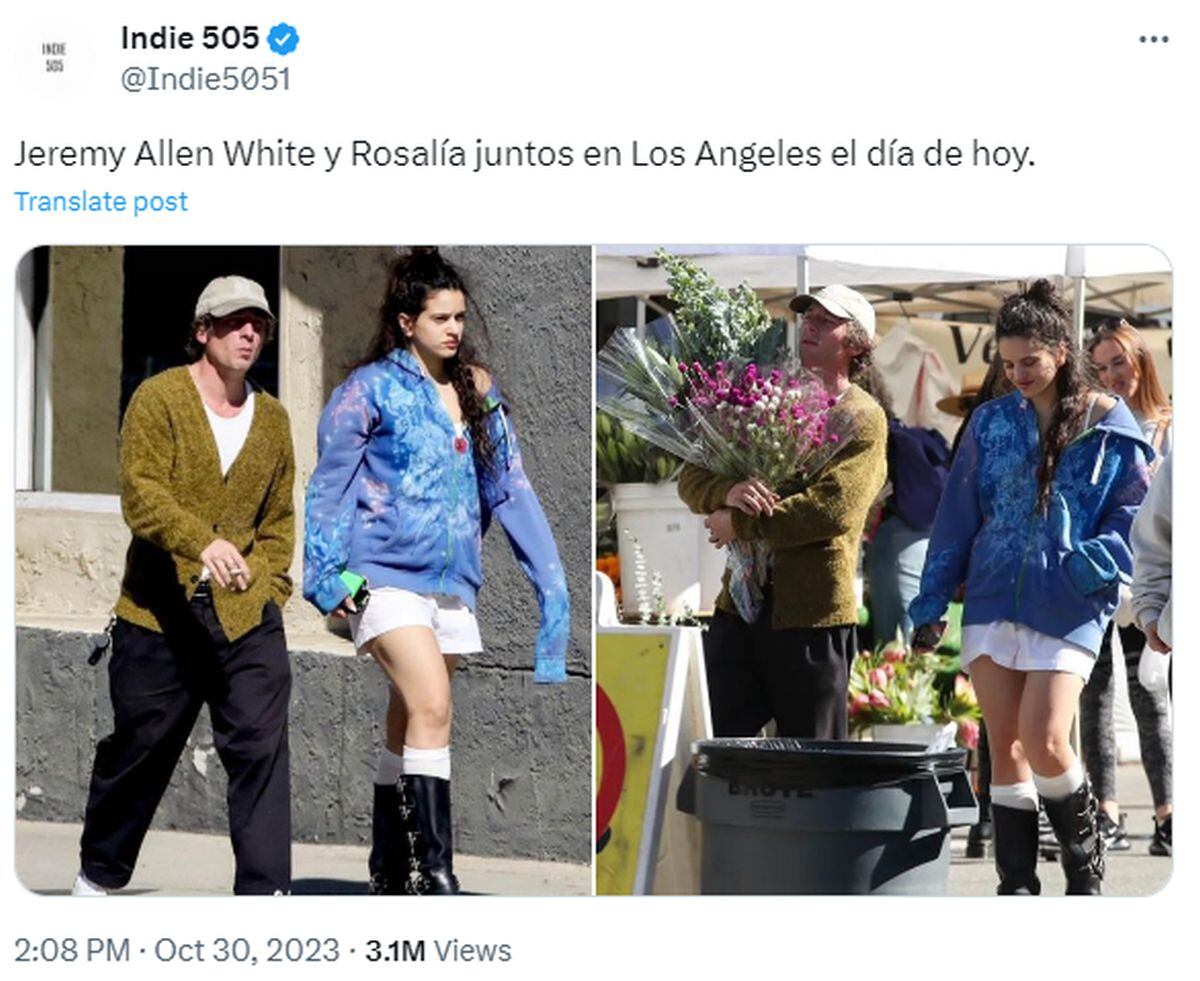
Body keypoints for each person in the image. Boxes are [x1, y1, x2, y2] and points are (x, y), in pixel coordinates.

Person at [304, 248, 569, 896]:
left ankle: (390, 866)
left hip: (450, 586)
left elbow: (510, 487)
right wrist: (332, 581)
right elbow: (328, 490)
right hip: (376, 576)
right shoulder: (368, 389)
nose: (453, 328)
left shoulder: (476, 389)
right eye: (439, 317)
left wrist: (553, 584)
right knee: (432, 703)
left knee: (408, 719)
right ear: (405, 321)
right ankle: (437, 872)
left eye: (458, 316)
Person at [910, 280, 1152, 895]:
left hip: (1070, 599)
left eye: (1030, 362)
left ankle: (1083, 867)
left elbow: (1136, 516)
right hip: (992, 594)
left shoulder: (1110, 425)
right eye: (1008, 362)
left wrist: (1096, 563)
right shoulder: (989, 423)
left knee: (1045, 738)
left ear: (1061, 352)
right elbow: (956, 518)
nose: (1017, 374)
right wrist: (933, 602)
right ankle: (1015, 884)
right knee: (1004, 745)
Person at [74, 276, 296, 896]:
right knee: (139, 753)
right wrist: (204, 542)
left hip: (246, 620)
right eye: (234, 321)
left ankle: (265, 897)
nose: (249, 332)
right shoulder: (159, 399)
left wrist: (268, 588)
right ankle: (97, 879)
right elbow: (141, 495)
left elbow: (279, 523)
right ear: (203, 330)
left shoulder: (273, 420)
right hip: (158, 616)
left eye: (259, 323)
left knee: (260, 750)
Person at [678, 284, 887, 739]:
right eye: (806, 316)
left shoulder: (862, 417)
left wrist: (738, 522)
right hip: (741, 606)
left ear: (855, 343)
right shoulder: (766, 397)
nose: (809, 324)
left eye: (825, 321)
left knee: (812, 765)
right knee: (717, 748)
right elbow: (690, 478)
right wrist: (728, 490)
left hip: (812, 615)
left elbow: (831, 511)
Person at [1080, 321, 1172, 855]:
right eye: (1102, 366)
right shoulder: (1094, 427)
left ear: (1141, 362)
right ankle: (1106, 811)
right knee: (1094, 692)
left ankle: (1167, 812)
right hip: (1100, 576)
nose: (1112, 374)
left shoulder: (1170, 426)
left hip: (1147, 581)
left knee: (1150, 693)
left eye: (1119, 362)